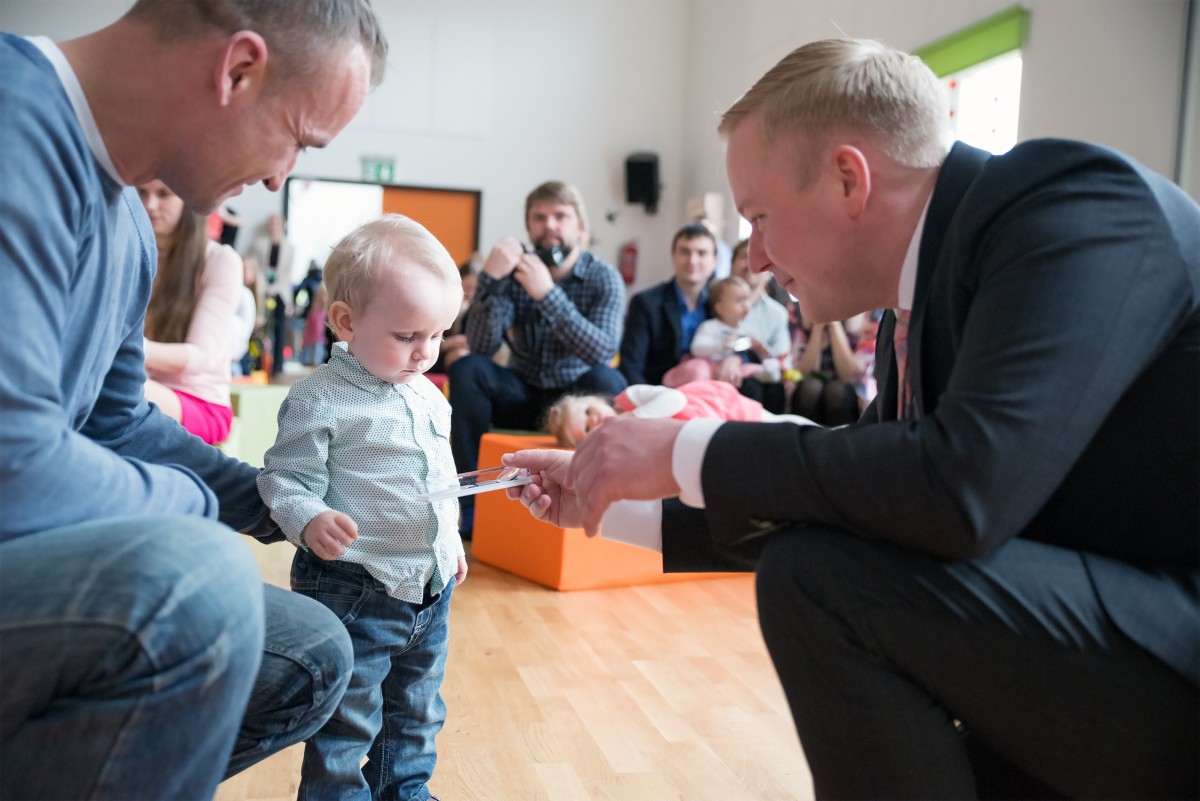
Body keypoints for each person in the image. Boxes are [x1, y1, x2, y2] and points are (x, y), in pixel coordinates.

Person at [503, 37, 1199, 800]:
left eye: (760, 216)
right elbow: (858, 492)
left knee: (822, 580)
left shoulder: (1073, 205)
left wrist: (681, 450)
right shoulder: (915, 303)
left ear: (848, 178)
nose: (754, 259)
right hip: (1092, 632)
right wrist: (608, 496)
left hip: (1173, 646)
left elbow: (964, 486)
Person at [0, 1, 388, 797]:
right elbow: (16, 466)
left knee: (312, 651)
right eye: (298, 139)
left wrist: (279, 502)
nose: (280, 177)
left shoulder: (128, 226)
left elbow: (115, 422)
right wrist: (191, 503)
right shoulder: (15, 125)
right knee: (199, 581)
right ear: (237, 70)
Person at [258, 215, 465, 801]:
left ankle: (405, 790)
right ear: (346, 322)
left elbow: (439, 477)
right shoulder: (319, 399)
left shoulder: (428, 394)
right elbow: (283, 479)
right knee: (347, 718)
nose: (425, 352)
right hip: (354, 587)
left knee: (417, 709)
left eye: (437, 335)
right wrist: (308, 518)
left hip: (428, 586)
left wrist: (448, 543)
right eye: (407, 336)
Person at [447, 180, 626, 536]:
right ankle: (470, 507)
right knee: (468, 368)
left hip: (575, 396)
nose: (550, 225)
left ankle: (604, 497)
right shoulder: (515, 273)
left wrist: (547, 293)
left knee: (609, 380)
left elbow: (602, 350)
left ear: (580, 225)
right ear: (529, 227)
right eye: (539, 218)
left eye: (560, 216)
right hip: (522, 392)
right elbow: (481, 345)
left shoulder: (604, 277)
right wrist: (490, 280)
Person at [138, 179, 242, 444]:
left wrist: (129, 349)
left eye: (164, 194)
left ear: (188, 200)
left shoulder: (220, 260)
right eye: (142, 193)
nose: (150, 204)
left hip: (201, 404)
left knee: (114, 385)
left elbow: (199, 357)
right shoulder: (134, 255)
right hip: (145, 385)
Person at [546, 380, 813, 447]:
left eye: (588, 411)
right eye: (588, 429)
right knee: (768, 444)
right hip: (708, 438)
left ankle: (821, 434)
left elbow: (674, 399)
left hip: (710, 409)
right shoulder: (620, 444)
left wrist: (630, 419)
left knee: (776, 424)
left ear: (595, 399)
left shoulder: (630, 398)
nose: (594, 420)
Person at [618, 222, 718, 387]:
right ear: (673, 257)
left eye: (701, 253)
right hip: (659, 391)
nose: (692, 260)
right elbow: (630, 367)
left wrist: (735, 359)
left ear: (714, 261)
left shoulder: (721, 303)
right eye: (685, 252)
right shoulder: (645, 303)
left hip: (711, 390)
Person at [663, 276, 784, 389]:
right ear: (720, 308)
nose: (745, 305)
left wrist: (762, 351)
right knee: (699, 370)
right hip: (710, 367)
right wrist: (721, 344)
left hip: (737, 370)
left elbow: (757, 354)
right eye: (738, 301)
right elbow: (696, 349)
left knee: (760, 371)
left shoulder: (749, 330)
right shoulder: (710, 326)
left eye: (746, 300)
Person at [730, 236, 790, 412]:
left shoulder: (778, 314)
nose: (751, 264)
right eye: (744, 256)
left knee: (776, 389)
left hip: (766, 382)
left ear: (770, 272)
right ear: (731, 265)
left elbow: (781, 358)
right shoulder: (713, 303)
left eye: (759, 257)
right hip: (726, 377)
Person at [788, 308, 871, 426]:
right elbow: (803, 372)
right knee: (811, 388)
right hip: (809, 385)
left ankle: (840, 437)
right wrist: (818, 328)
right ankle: (807, 436)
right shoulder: (800, 316)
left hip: (846, 390)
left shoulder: (860, 321)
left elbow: (848, 375)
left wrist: (834, 324)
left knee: (836, 391)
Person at [248, 213, 297, 376]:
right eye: (270, 222)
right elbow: (257, 268)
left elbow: (287, 276)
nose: (273, 226)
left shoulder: (290, 248)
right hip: (263, 290)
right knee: (260, 328)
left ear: (282, 225)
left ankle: (277, 368)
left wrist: (288, 301)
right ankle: (258, 365)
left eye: (276, 222)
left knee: (279, 330)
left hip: (280, 292)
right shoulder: (259, 244)